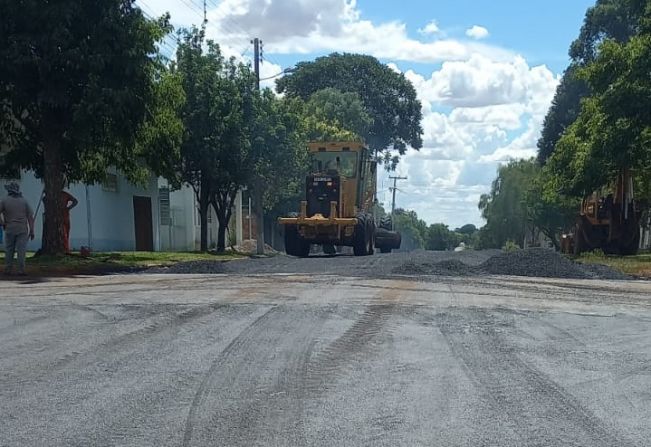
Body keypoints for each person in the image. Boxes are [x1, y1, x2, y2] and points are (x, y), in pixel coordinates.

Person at [0, 182, 35, 276]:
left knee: (9, 250)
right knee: (21, 250)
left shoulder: (4, 200)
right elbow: (30, 217)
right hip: (22, 229)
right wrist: (32, 230)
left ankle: (8, 269)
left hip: (10, 228)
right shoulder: (24, 201)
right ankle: (21, 270)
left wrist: (2, 223)